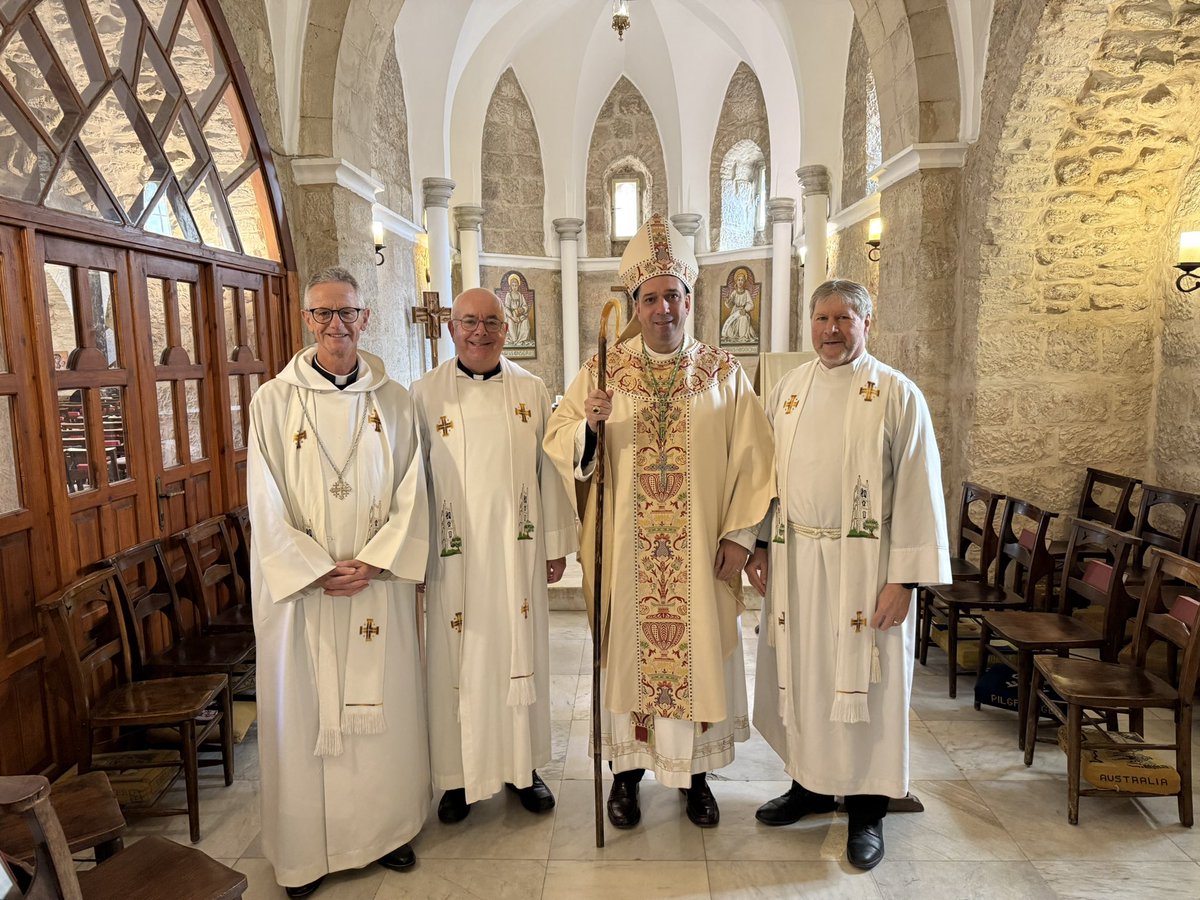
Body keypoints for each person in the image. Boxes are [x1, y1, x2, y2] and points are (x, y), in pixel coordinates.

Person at [545, 214, 775, 829]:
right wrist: (587, 429)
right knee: (626, 660)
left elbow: (755, 459)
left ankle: (696, 777)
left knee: (699, 653)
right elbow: (559, 437)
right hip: (627, 555)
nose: (662, 308)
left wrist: (738, 536)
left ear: (690, 299)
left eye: (673, 295)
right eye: (650, 298)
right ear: (633, 304)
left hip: (701, 552)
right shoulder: (602, 371)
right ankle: (627, 777)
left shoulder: (723, 373)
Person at [748, 278, 950, 870]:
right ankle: (809, 785)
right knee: (807, 676)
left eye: (843, 319)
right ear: (809, 324)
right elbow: (767, 478)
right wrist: (759, 544)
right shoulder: (788, 390)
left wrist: (904, 580)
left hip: (866, 570)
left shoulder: (896, 394)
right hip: (796, 561)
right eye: (821, 318)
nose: (831, 330)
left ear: (868, 323)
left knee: (870, 685)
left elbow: (919, 491)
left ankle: (867, 807)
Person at [247, 267, 430, 897]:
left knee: (385, 710)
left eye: (346, 312)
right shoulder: (272, 402)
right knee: (304, 715)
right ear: (306, 321)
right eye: (323, 314)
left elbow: (415, 491)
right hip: (306, 593)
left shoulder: (397, 402)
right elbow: (264, 501)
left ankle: (385, 832)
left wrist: (378, 560)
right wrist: (315, 567)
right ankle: (305, 855)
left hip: (376, 584)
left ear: (365, 319)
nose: (335, 325)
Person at [413, 287, 577, 823]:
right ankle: (457, 779)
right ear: (450, 328)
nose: (479, 332)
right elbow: (411, 483)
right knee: (455, 664)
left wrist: (555, 546)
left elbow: (547, 471)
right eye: (469, 322)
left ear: (508, 329)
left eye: (491, 322)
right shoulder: (423, 394)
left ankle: (523, 769)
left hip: (516, 555)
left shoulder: (531, 389)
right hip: (452, 557)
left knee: (518, 657)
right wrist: (412, 557)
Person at [719, 266, 757, 344]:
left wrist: (745, 310)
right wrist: (727, 301)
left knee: (743, 319)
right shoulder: (734, 292)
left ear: (744, 282)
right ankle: (734, 337)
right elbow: (729, 304)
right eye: (739, 280)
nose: (740, 282)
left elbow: (751, 304)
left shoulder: (746, 292)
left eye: (742, 280)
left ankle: (742, 337)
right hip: (734, 313)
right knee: (729, 329)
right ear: (736, 281)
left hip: (742, 312)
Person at [502, 273, 531, 345]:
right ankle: (514, 340)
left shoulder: (520, 295)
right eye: (513, 285)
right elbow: (506, 308)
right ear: (511, 286)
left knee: (525, 321)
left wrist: (521, 310)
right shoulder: (509, 295)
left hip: (519, 315)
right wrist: (512, 317)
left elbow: (525, 306)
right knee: (511, 327)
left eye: (516, 285)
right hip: (511, 317)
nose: (514, 287)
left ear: (518, 286)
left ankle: (522, 340)